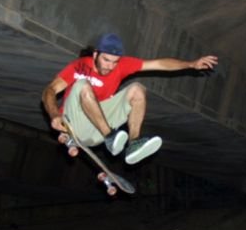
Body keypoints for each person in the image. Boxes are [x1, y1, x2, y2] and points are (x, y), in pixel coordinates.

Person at [42, 33, 218, 164]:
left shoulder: (122, 65)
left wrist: (190, 64)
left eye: (115, 62)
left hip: (97, 128)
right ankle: (110, 136)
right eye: (106, 60)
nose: (110, 66)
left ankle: (133, 143)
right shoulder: (79, 66)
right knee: (83, 85)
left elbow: (158, 64)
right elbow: (49, 90)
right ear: (95, 55)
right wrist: (53, 114)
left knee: (138, 89)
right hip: (74, 123)